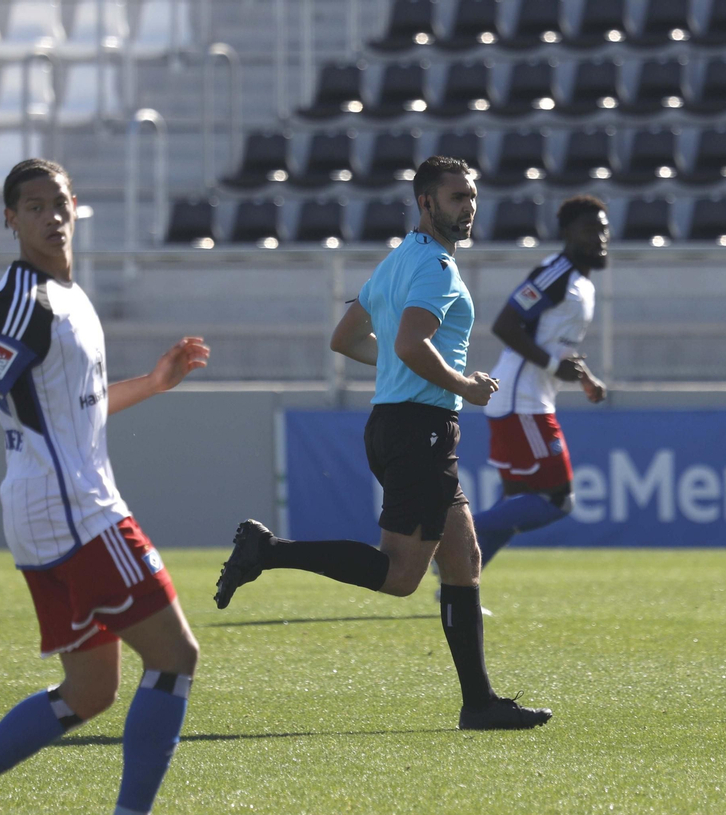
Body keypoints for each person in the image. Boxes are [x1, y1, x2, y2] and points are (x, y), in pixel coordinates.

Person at [0, 158, 215, 815]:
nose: (51, 216)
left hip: (54, 509)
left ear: (77, 207)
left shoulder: (68, 296)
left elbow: (73, 411)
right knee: (175, 656)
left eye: (59, 202)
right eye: (33, 206)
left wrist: (153, 384)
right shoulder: (25, 299)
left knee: (90, 690)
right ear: (10, 220)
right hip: (76, 510)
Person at [212, 156, 552, 731]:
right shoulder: (436, 268)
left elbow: (347, 339)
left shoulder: (397, 262)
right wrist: (466, 385)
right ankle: (268, 550)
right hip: (419, 428)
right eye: (455, 198)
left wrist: (408, 366)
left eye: (471, 197)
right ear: (426, 202)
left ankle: (479, 703)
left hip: (401, 423)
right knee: (400, 577)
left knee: (464, 558)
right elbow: (415, 344)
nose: (467, 208)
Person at [473, 195, 610, 566]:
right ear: (567, 233)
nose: (600, 237)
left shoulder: (584, 284)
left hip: (524, 400)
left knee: (514, 503)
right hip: (522, 402)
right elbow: (505, 324)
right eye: (590, 230)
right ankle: (451, 530)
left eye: (604, 229)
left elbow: (557, 343)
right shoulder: (556, 273)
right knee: (556, 500)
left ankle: (458, 583)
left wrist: (585, 377)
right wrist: (552, 366)